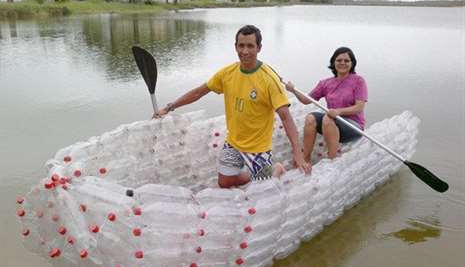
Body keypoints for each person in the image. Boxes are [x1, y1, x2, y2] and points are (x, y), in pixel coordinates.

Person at [154, 25, 310, 188]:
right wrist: (169, 107)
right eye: (241, 45)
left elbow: (286, 117)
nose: (245, 51)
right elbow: (198, 92)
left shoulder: (269, 80)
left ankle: (275, 170)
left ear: (259, 48)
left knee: (263, 191)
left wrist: (297, 153)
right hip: (234, 143)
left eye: (250, 46)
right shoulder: (228, 73)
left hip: (258, 148)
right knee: (224, 182)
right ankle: (256, 174)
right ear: (235, 46)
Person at [286, 47, 368, 167]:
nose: (342, 63)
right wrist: (293, 90)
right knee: (310, 118)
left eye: (346, 60)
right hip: (332, 121)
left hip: (353, 125)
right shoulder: (325, 83)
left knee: (327, 118)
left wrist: (338, 112)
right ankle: (305, 158)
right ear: (333, 62)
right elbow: (306, 100)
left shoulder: (358, 81)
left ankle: (331, 160)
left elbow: (359, 107)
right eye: (339, 60)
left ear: (352, 63)